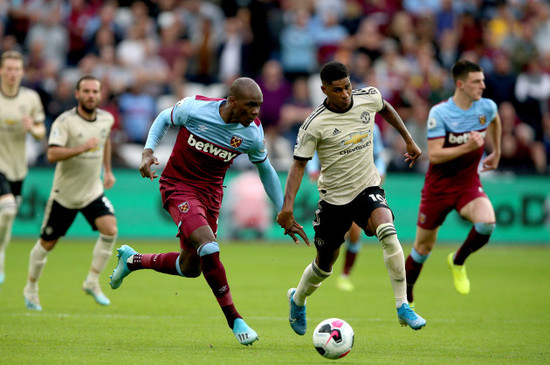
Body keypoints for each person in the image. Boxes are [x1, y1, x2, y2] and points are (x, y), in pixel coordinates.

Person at [109, 77, 303, 346]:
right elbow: (165, 117)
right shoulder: (196, 108)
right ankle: (235, 319)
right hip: (178, 186)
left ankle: (133, 261)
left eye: (258, 106)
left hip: (211, 196)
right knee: (209, 247)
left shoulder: (252, 133)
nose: (256, 112)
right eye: (251, 105)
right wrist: (148, 150)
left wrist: (285, 209)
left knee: (190, 268)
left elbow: (266, 170)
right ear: (233, 102)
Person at [277, 61, 426, 336]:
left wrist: (407, 139)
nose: (345, 94)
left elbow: (386, 108)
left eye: (347, 87)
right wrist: (287, 208)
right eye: (337, 90)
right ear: (324, 90)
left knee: (388, 232)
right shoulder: (314, 124)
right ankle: (297, 299)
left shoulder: (367, 97)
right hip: (333, 200)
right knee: (324, 267)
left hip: (367, 188)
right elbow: (298, 165)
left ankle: (403, 305)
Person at [405, 59, 502, 305]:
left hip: (468, 183)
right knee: (423, 247)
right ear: (460, 84)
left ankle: (457, 261)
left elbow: (495, 119)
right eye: (476, 81)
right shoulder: (440, 113)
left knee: (487, 223)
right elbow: (435, 154)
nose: (483, 85)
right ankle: (406, 296)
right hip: (438, 188)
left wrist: (497, 151)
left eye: (482, 80)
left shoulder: (486, 107)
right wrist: (468, 146)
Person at [23, 75, 118, 310]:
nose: (90, 95)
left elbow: (104, 141)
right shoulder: (64, 122)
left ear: (100, 94)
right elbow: (52, 154)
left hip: (91, 192)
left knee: (110, 229)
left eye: (95, 91)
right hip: (64, 195)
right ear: (77, 94)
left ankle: (92, 281)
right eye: (86, 91)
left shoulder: (106, 119)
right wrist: (82, 148)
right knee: (47, 243)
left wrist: (107, 170)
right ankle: (31, 287)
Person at [307, 123, 387, 292]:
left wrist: (380, 170)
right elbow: (313, 148)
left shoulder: (370, 125)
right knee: (335, 236)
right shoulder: (330, 120)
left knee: (355, 232)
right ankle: (323, 270)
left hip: (362, 184)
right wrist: (313, 168)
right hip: (335, 185)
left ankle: (344, 275)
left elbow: (378, 154)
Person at [0, 50, 46, 287]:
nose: (12, 74)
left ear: (22, 72)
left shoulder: (29, 98)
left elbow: (40, 132)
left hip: (17, 166)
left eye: (16, 69)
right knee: (7, 209)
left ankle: (1, 252)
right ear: (1, 71)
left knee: (8, 212)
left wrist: (32, 128)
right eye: (8, 68)